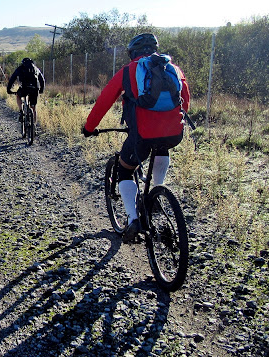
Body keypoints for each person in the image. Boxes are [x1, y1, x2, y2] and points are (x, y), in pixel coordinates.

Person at [82, 33, 191, 243]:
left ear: (132, 52)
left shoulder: (129, 70)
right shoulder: (173, 68)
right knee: (161, 147)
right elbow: (184, 100)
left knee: (124, 169)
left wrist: (89, 127)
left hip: (142, 135)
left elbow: (105, 100)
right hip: (174, 132)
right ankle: (158, 191)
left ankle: (132, 220)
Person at [6, 58, 45, 125]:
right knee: (33, 107)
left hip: (24, 88)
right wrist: (41, 89)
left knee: (18, 95)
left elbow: (12, 79)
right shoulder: (35, 68)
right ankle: (34, 125)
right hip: (35, 88)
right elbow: (42, 80)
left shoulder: (20, 68)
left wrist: (9, 89)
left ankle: (21, 111)